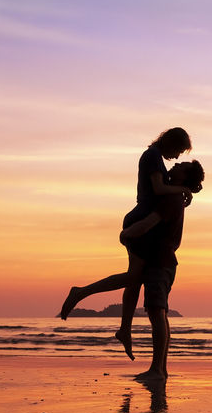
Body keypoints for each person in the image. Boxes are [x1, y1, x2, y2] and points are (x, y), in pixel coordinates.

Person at [58, 128, 195, 359]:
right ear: (171, 142)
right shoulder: (151, 156)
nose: (178, 156)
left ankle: (124, 329)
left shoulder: (156, 157)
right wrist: (184, 188)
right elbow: (159, 189)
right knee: (133, 278)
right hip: (140, 220)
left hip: (141, 220)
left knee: (135, 278)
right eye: (179, 150)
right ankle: (81, 292)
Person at [118, 160, 204, 382]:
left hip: (160, 262)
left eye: (181, 166)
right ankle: (160, 369)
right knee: (160, 314)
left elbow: (149, 223)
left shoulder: (171, 199)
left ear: (184, 177)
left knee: (157, 313)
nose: (174, 165)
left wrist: (126, 234)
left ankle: (157, 369)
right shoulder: (174, 196)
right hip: (163, 262)